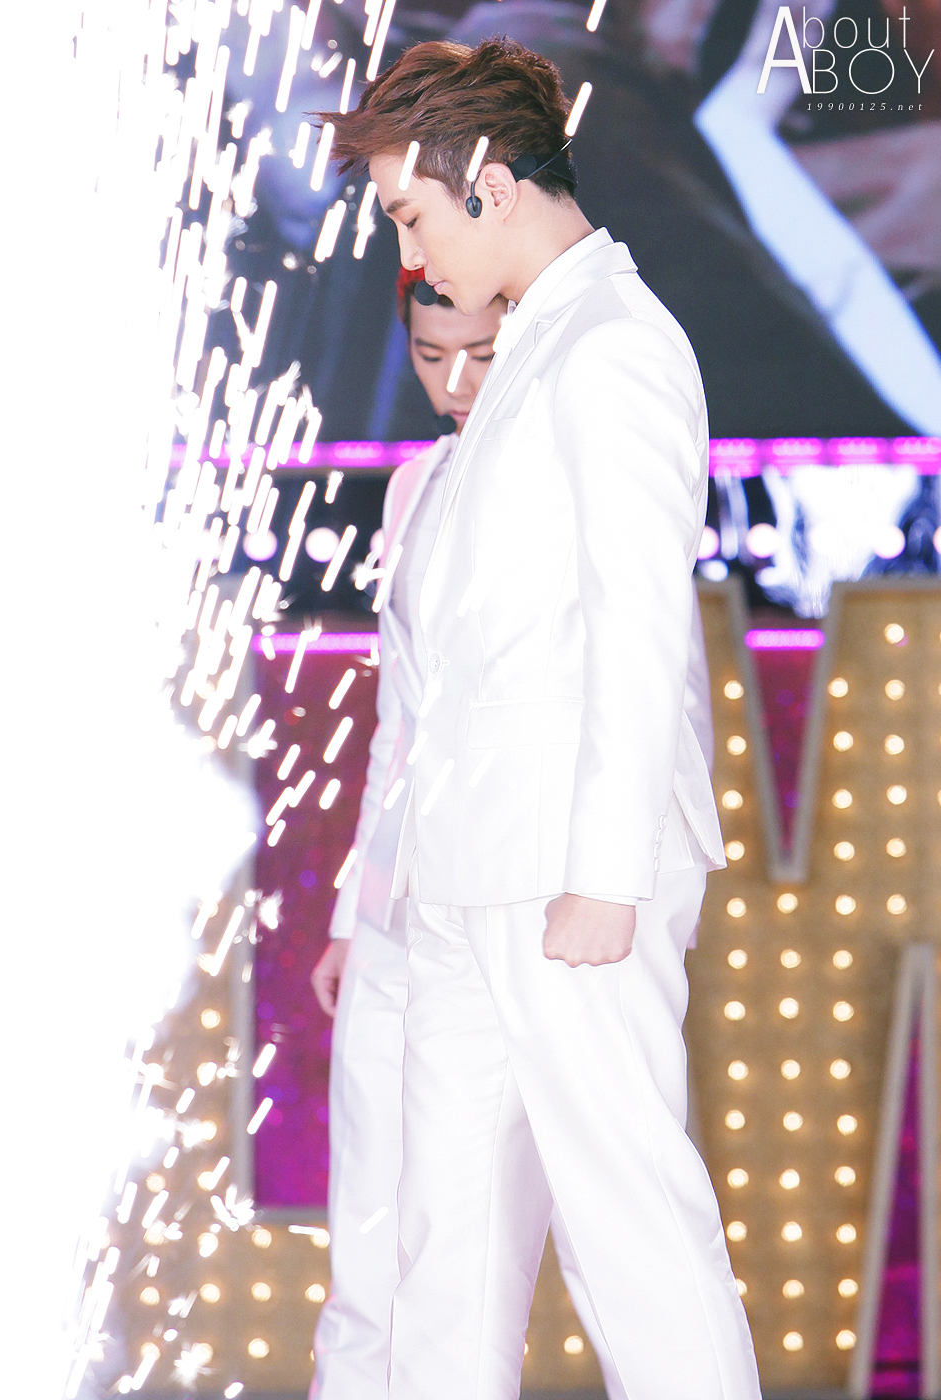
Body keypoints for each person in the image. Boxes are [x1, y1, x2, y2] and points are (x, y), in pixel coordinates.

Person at [319, 35, 762, 1400]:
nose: (408, 249)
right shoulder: (538, 345)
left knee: (635, 1234)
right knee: (442, 1254)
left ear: (492, 184)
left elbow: (641, 625)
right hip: (466, 872)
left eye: (413, 215)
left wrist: (605, 876)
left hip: (569, 872)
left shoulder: (615, 344)